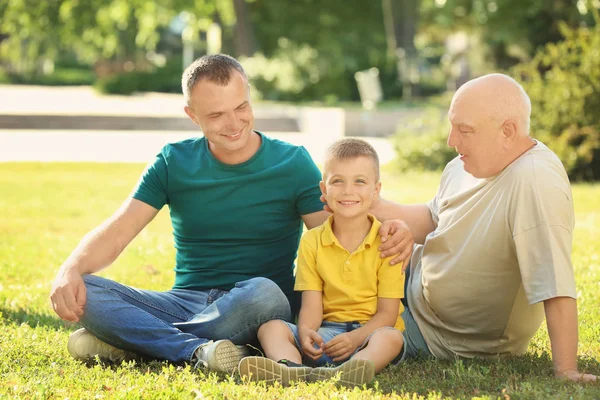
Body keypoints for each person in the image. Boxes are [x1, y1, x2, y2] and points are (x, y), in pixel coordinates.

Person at [49, 54, 412, 374]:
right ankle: (199, 350)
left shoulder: (292, 162)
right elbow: (117, 232)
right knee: (89, 290)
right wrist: (70, 269)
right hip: (187, 303)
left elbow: (340, 234)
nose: (234, 123)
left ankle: (139, 340)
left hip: (262, 304)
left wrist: (392, 229)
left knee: (264, 291)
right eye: (217, 114)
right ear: (192, 115)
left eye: (241, 107)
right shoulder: (173, 161)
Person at [370, 73, 597, 382]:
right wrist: (371, 204)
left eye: (465, 130)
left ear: (507, 131)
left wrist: (567, 370)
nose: (452, 141)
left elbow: (553, 281)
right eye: (453, 126)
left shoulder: (534, 180)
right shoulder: (468, 163)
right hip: (409, 282)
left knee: (327, 321)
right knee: (329, 272)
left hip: (434, 333)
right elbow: (432, 218)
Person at [238, 139, 405, 387]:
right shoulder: (312, 241)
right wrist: (306, 332)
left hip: (370, 336)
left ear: (376, 189)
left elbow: (388, 315)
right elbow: (312, 304)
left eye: (360, 181)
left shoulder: (387, 241)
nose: (348, 190)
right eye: (338, 181)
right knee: (271, 328)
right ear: (323, 189)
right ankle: (291, 367)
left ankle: (354, 370)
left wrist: (356, 338)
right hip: (327, 335)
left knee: (392, 338)